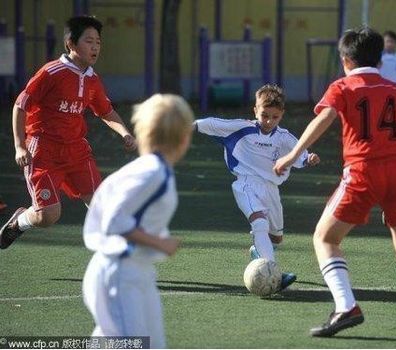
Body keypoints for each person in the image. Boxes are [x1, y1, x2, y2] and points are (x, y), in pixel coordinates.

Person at [273, 27, 396, 340]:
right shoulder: (394, 87)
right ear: (379, 59)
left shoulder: (342, 87)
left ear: (345, 60)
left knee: (325, 239)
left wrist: (293, 154)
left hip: (363, 172)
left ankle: (346, 305)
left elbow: (323, 118)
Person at [0, 16, 136, 249]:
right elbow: (20, 105)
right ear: (71, 44)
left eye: (98, 42)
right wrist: (19, 146)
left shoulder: (92, 79)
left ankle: (117, 254)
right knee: (48, 216)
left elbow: (106, 111)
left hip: (77, 151)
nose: (95, 47)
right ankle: (19, 222)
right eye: (89, 41)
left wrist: (124, 132)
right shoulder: (51, 72)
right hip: (43, 152)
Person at [82, 94, 193, 348]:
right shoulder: (152, 172)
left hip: (137, 271)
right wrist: (160, 243)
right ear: (185, 138)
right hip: (119, 272)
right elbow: (113, 221)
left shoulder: (154, 169)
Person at [194, 84, 320, 290]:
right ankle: (274, 274)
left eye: (275, 117)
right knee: (259, 223)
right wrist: (190, 125)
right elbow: (212, 124)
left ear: (282, 115)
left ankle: (258, 251)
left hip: (271, 189)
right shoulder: (242, 128)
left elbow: (300, 154)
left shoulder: (284, 137)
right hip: (246, 183)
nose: (269, 121)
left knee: (276, 238)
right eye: (264, 115)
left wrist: (310, 159)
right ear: (255, 111)